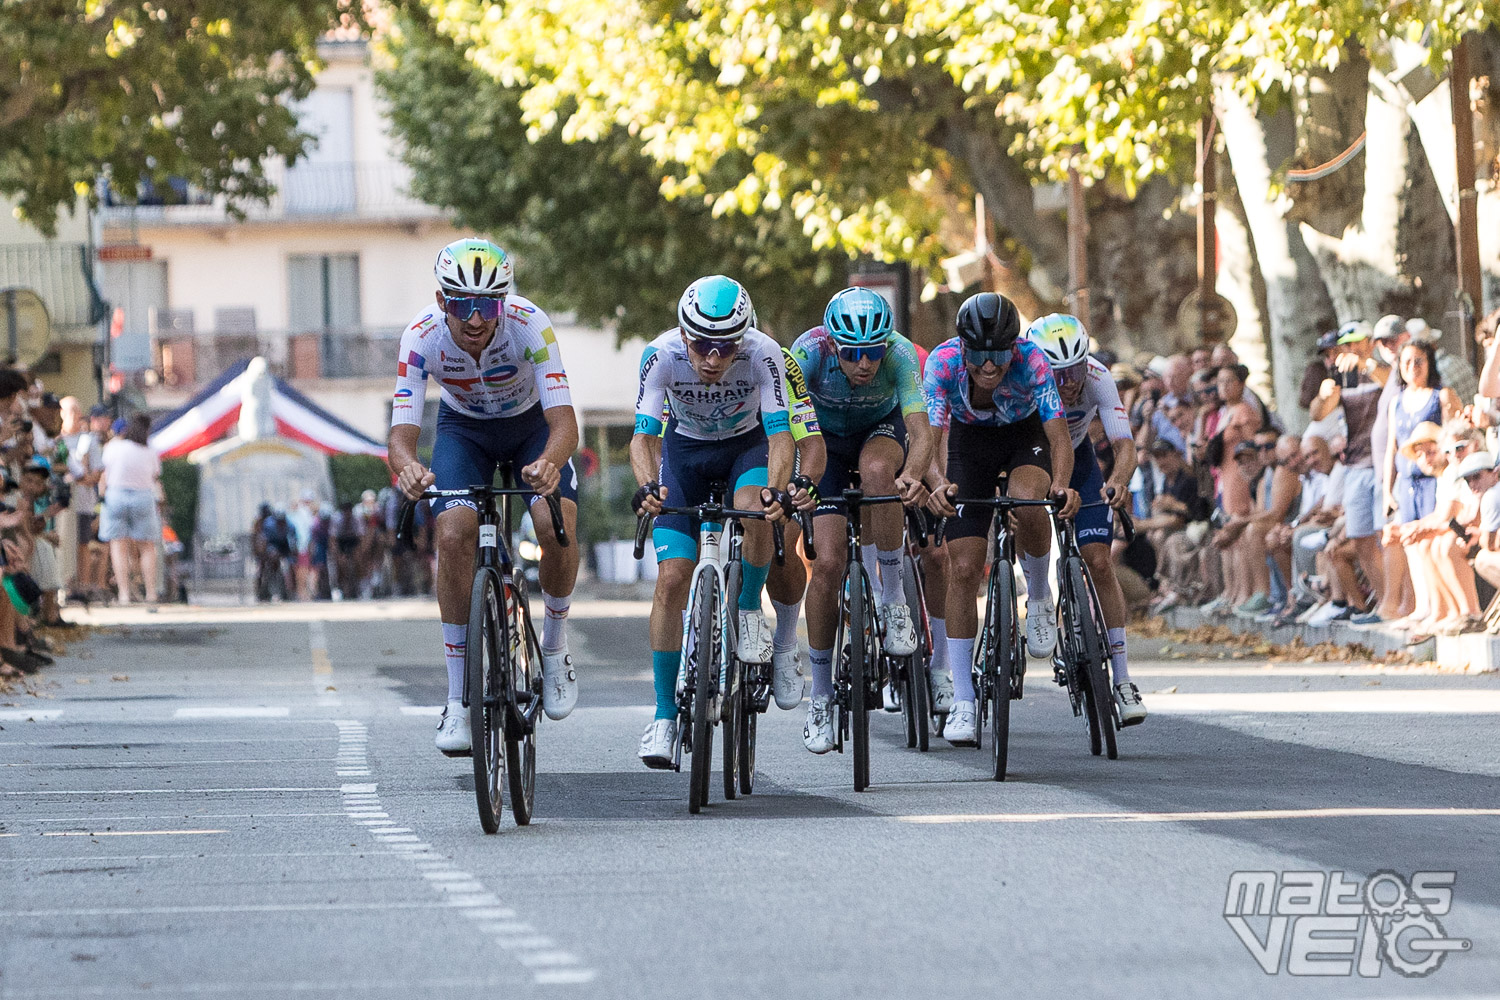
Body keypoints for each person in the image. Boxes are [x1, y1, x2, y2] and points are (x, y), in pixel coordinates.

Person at [388, 238, 582, 756]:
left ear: (504, 302)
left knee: (552, 522)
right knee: (453, 535)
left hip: (530, 428)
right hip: (464, 431)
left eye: (488, 305)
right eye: (462, 304)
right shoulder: (421, 338)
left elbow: (564, 424)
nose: (476, 320)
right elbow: (402, 435)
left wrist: (550, 463)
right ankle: (457, 698)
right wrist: (407, 469)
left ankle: (557, 648)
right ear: (440, 299)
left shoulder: (530, 324)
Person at [629, 275, 802, 767]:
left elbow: (781, 436)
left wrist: (777, 489)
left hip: (743, 448)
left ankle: (747, 610)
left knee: (755, 507)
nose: (712, 358)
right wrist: (647, 486)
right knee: (671, 580)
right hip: (684, 455)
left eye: (725, 348)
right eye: (702, 345)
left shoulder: (764, 353)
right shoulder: (660, 355)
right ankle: (664, 716)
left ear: (741, 340)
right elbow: (643, 437)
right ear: (684, 336)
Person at [924, 292, 1079, 747]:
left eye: (999, 355)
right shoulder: (944, 364)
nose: (989, 367)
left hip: (1023, 435)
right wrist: (936, 483)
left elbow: (1059, 437)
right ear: (963, 349)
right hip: (969, 444)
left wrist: (1063, 485)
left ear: (1014, 346)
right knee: (965, 568)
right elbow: (931, 441)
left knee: (1028, 501)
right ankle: (964, 701)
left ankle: (1040, 594)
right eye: (979, 356)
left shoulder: (1032, 362)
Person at [786, 287, 933, 753]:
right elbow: (783, 426)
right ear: (833, 345)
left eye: (872, 353)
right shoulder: (804, 354)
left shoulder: (901, 353)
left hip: (879, 430)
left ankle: (892, 599)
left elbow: (921, 431)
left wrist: (911, 474)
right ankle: (821, 696)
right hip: (821, 441)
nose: (864, 365)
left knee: (877, 473)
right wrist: (798, 482)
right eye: (852, 354)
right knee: (826, 565)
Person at [1025, 314, 1146, 724]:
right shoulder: (1023, 380)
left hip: (1078, 462)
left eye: (1075, 368)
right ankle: (1039, 595)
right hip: (1030, 461)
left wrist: (1117, 481)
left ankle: (1124, 679)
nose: (1070, 380)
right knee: (1031, 524)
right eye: (1059, 373)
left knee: (1098, 560)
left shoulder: (1098, 376)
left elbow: (1124, 444)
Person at [1306, 322, 1391, 622]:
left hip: (1382, 464)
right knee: (1362, 538)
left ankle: (1394, 604)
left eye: (1356, 343)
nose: (1350, 349)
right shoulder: (1342, 374)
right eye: (1346, 344)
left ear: (1369, 342)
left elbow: (1392, 381)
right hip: (1354, 466)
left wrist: (1367, 364)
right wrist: (1325, 394)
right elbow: (1317, 413)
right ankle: (1382, 604)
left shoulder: (1381, 365)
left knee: (1385, 536)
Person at [98, 413, 162, 606]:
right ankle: (151, 592)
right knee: (147, 546)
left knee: (118, 545)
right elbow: (155, 475)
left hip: (116, 495)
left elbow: (105, 471)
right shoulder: (149, 450)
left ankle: (124, 594)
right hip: (143, 495)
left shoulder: (113, 447)